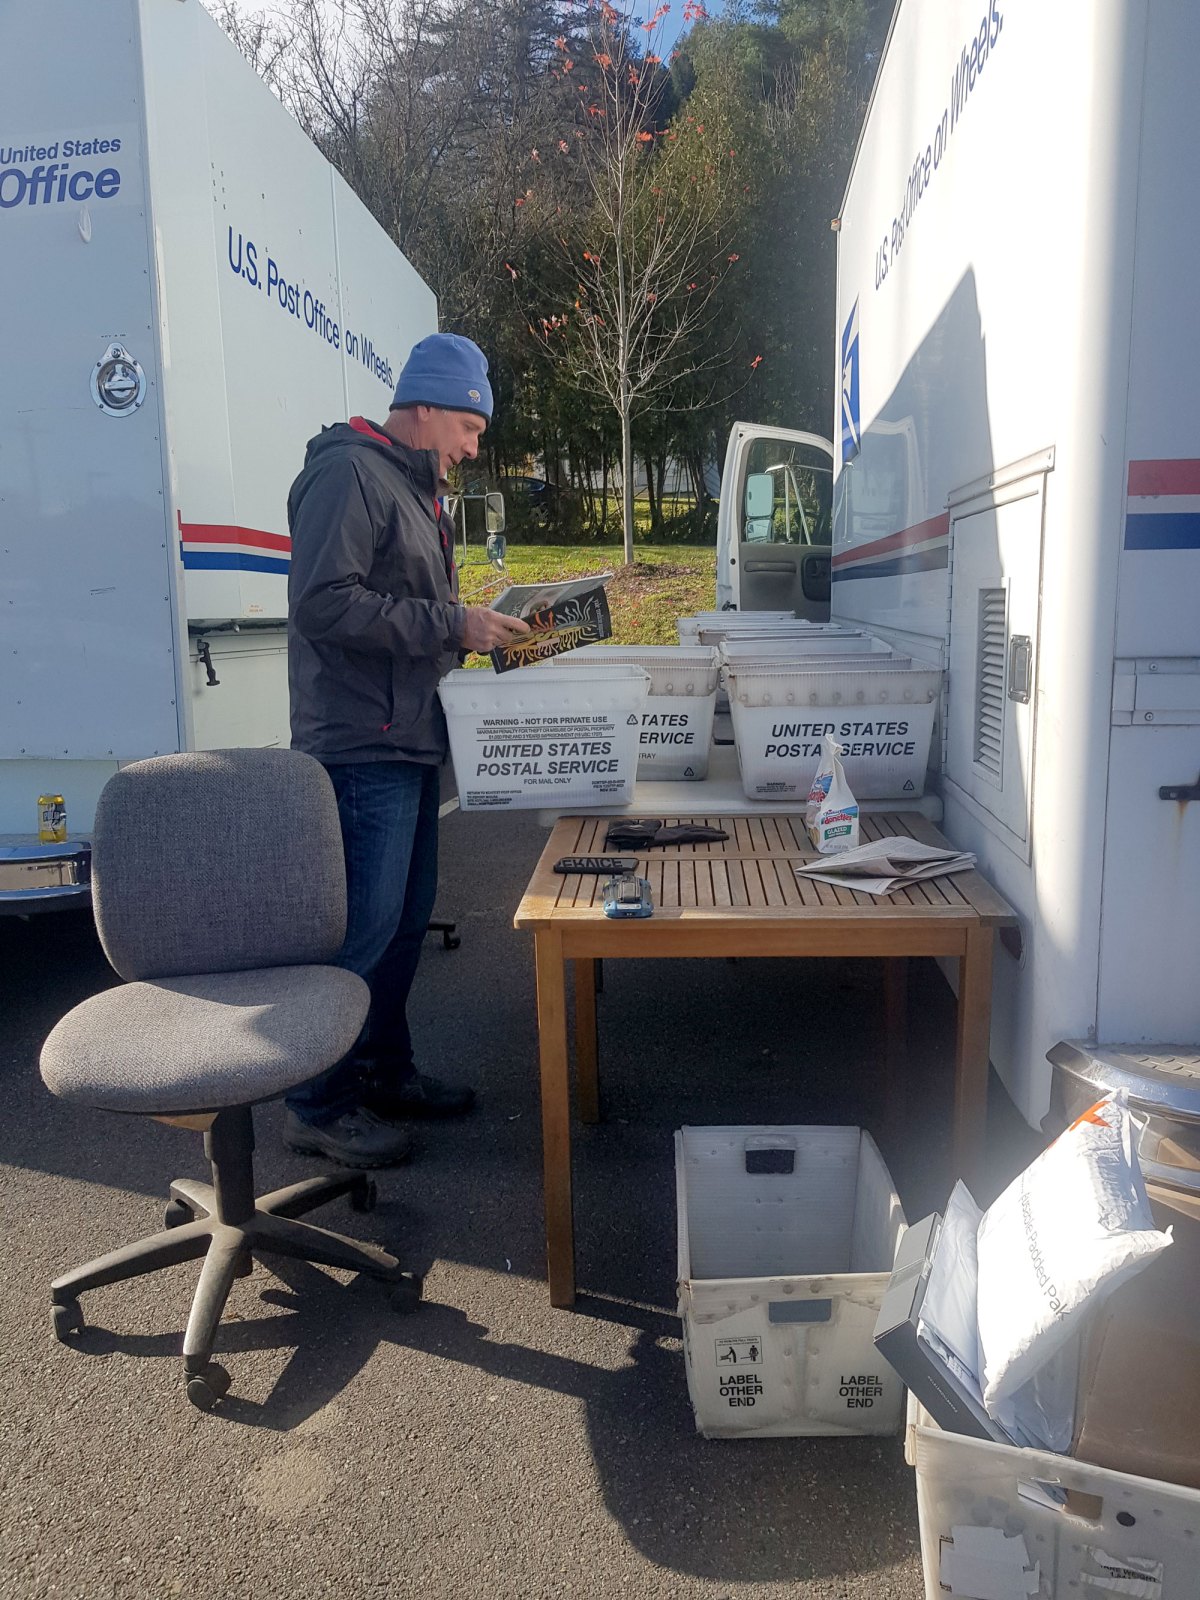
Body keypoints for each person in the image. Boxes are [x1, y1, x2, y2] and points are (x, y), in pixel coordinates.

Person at [282, 332, 529, 1166]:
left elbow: (406, 612)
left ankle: (383, 1072)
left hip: (410, 738)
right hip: (359, 745)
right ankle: (316, 1102)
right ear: (423, 408)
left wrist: (474, 631)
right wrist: (449, 622)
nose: (470, 447)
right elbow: (324, 603)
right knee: (360, 927)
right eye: (468, 428)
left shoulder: (416, 491)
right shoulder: (345, 474)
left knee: (402, 924)